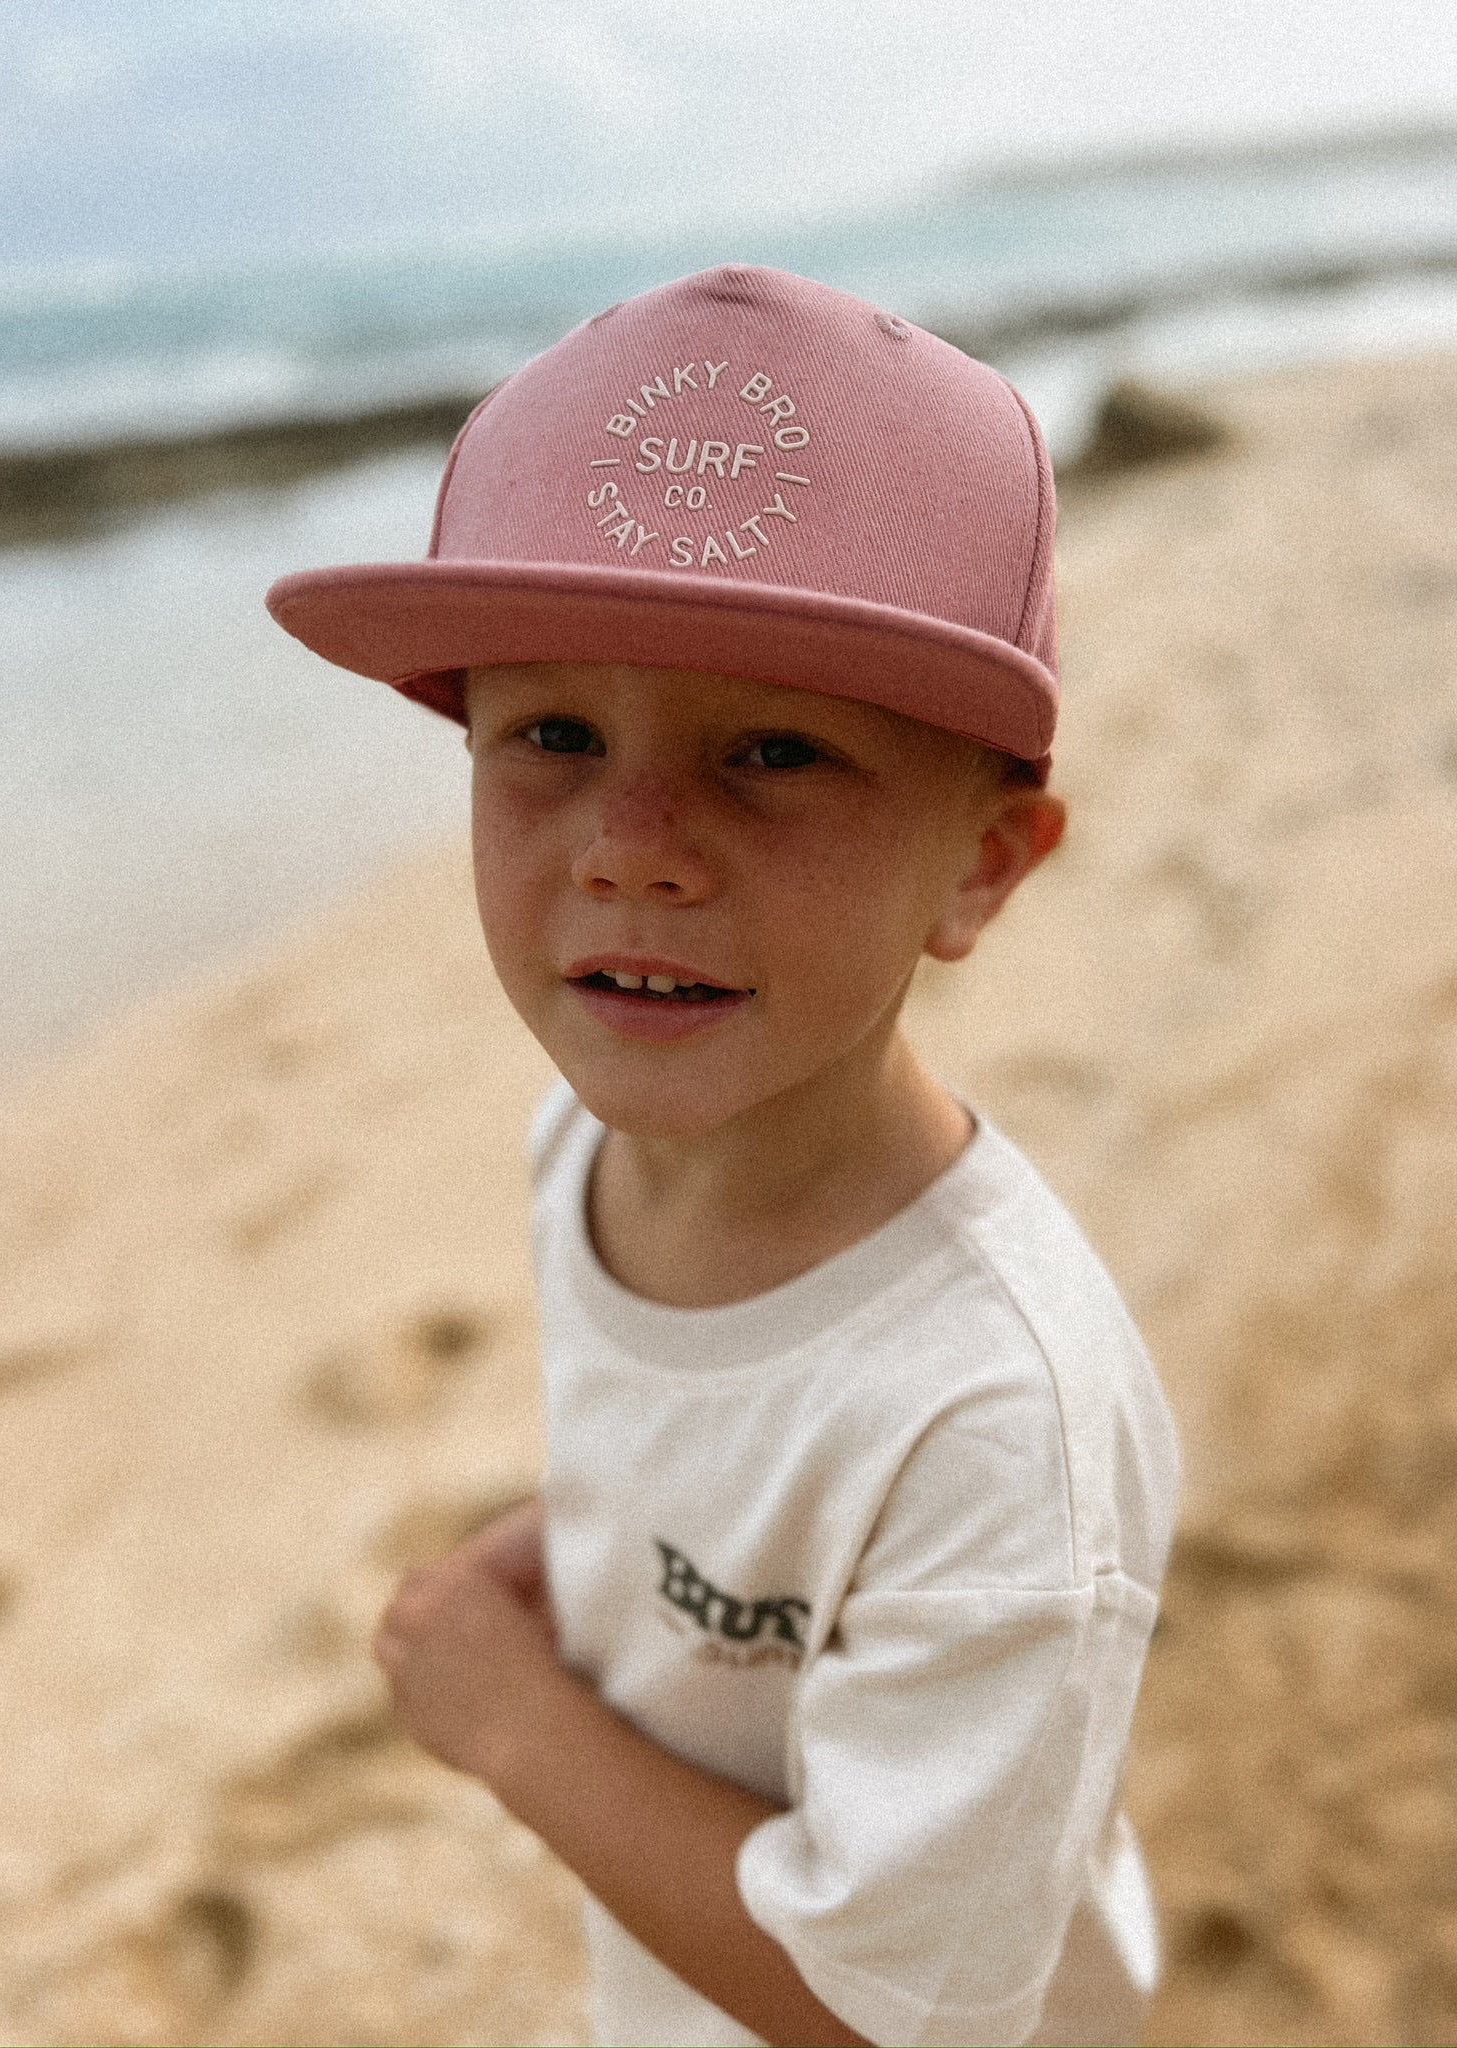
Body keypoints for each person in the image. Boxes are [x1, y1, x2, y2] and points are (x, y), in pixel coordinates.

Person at [265, 265, 1180, 2048]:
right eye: (553, 735)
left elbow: (886, 2005)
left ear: (984, 865)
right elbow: (713, 1449)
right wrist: (594, 1535)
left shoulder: (995, 1422)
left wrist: (510, 1717)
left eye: (773, 749)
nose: (633, 844)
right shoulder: (583, 1151)